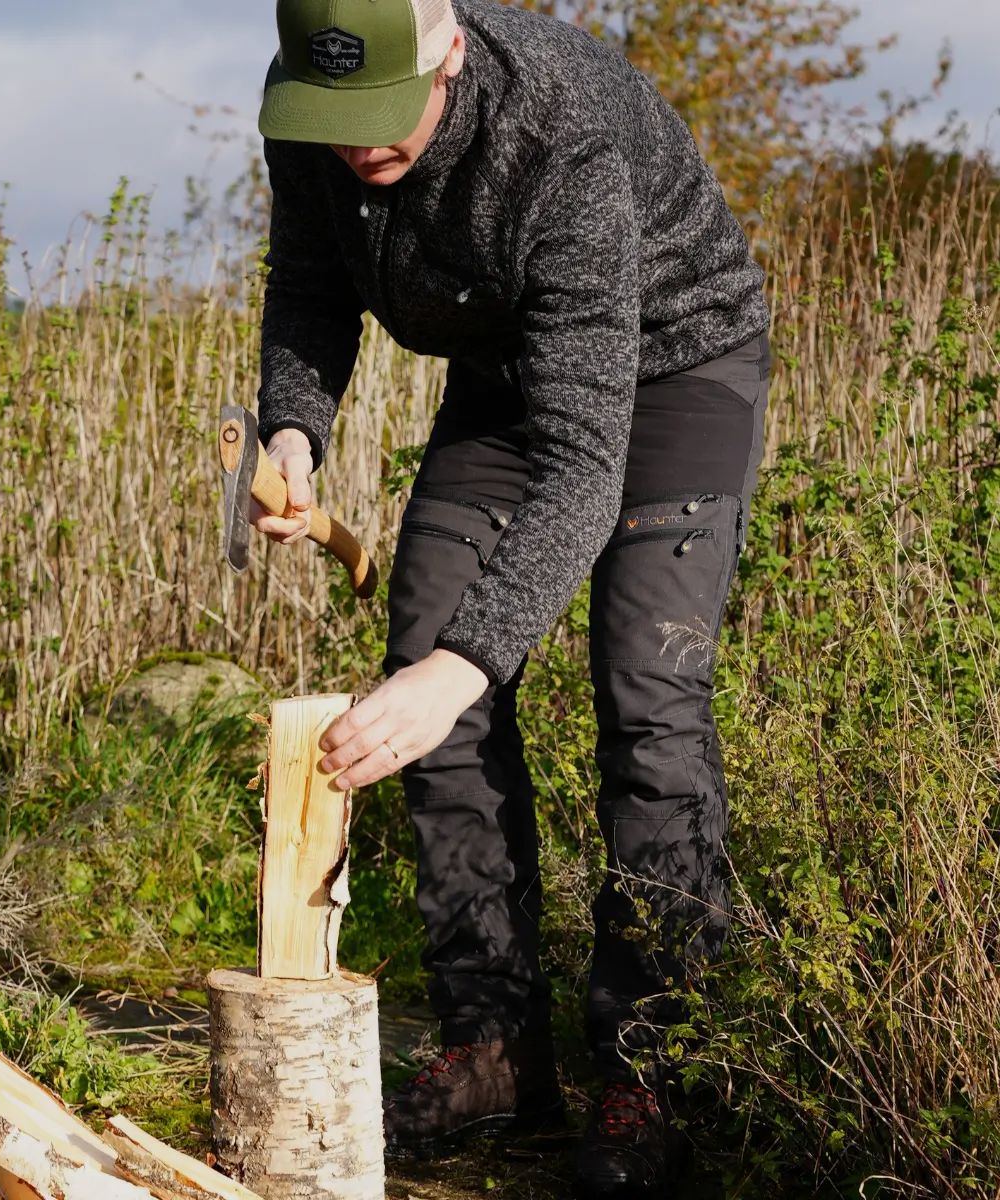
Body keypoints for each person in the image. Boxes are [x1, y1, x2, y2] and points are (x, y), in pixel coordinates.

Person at [251, 0, 772, 1193]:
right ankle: (493, 1052)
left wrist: (466, 667)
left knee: (649, 695)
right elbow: (312, 284)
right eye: (338, 124)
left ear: (446, 49)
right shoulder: (310, 107)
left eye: (386, 120)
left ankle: (657, 1071)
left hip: (678, 366)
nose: (360, 148)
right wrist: (295, 429)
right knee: (422, 667)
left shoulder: (560, 130)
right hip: (507, 371)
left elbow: (587, 461)